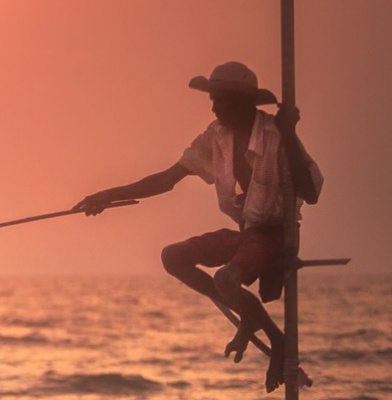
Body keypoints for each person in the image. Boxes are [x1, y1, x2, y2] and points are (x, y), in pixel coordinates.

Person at [74, 61, 321, 392]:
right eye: (213, 98)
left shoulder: (277, 134)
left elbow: (310, 191)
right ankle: (246, 313)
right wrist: (107, 195)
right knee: (173, 256)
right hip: (248, 235)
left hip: (277, 236)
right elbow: (166, 179)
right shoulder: (216, 136)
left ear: (242, 102)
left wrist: (290, 135)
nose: (213, 106)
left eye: (220, 99)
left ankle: (278, 341)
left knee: (226, 278)